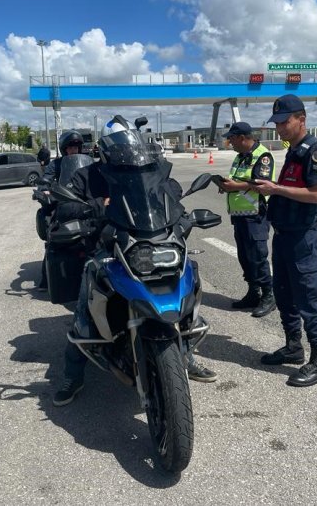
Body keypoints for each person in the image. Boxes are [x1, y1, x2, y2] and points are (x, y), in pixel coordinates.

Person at [53, 115, 217, 407]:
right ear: (105, 150)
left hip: (147, 244)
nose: (124, 154)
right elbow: (65, 207)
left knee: (187, 273)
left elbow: (172, 195)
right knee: (84, 308)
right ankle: (72, 375)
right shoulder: (87, 175)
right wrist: (93, 207)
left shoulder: (149, 173)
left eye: (128, 147)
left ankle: (186, 355)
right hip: (107, 247)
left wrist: (181, 215)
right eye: (117, 149)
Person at [250, 94, 317, 387]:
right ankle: (293, 347)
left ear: (301, 119)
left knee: (308, 300)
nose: (280, 128)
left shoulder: (314, 150)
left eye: (285, 122)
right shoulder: (293, 151)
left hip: (302, 239)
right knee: (284, 295)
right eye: (277, 122)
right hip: (283, 237)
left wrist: (277, 190)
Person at [216, 121, 276, 318]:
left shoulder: (263, 156)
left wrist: (235, 186)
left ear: (242, 138)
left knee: (258, 256)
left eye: (231, 138)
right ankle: (253, 292)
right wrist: (226, 184)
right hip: (240, 216)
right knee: (245, 256)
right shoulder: (240, 157)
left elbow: (261, 183)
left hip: (256, 215)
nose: (230, 142)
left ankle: (269, 294)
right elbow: (237, 179)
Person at [36, 130, 85, 289]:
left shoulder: (86, 163)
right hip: (63, 204)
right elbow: (45, 179)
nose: (74, 150)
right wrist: (44, 189)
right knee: (54, 236)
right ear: (64, 148)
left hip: (84, 204)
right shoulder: (55, 164)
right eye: (70, 147)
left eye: (76, 147)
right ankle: (46, 278)